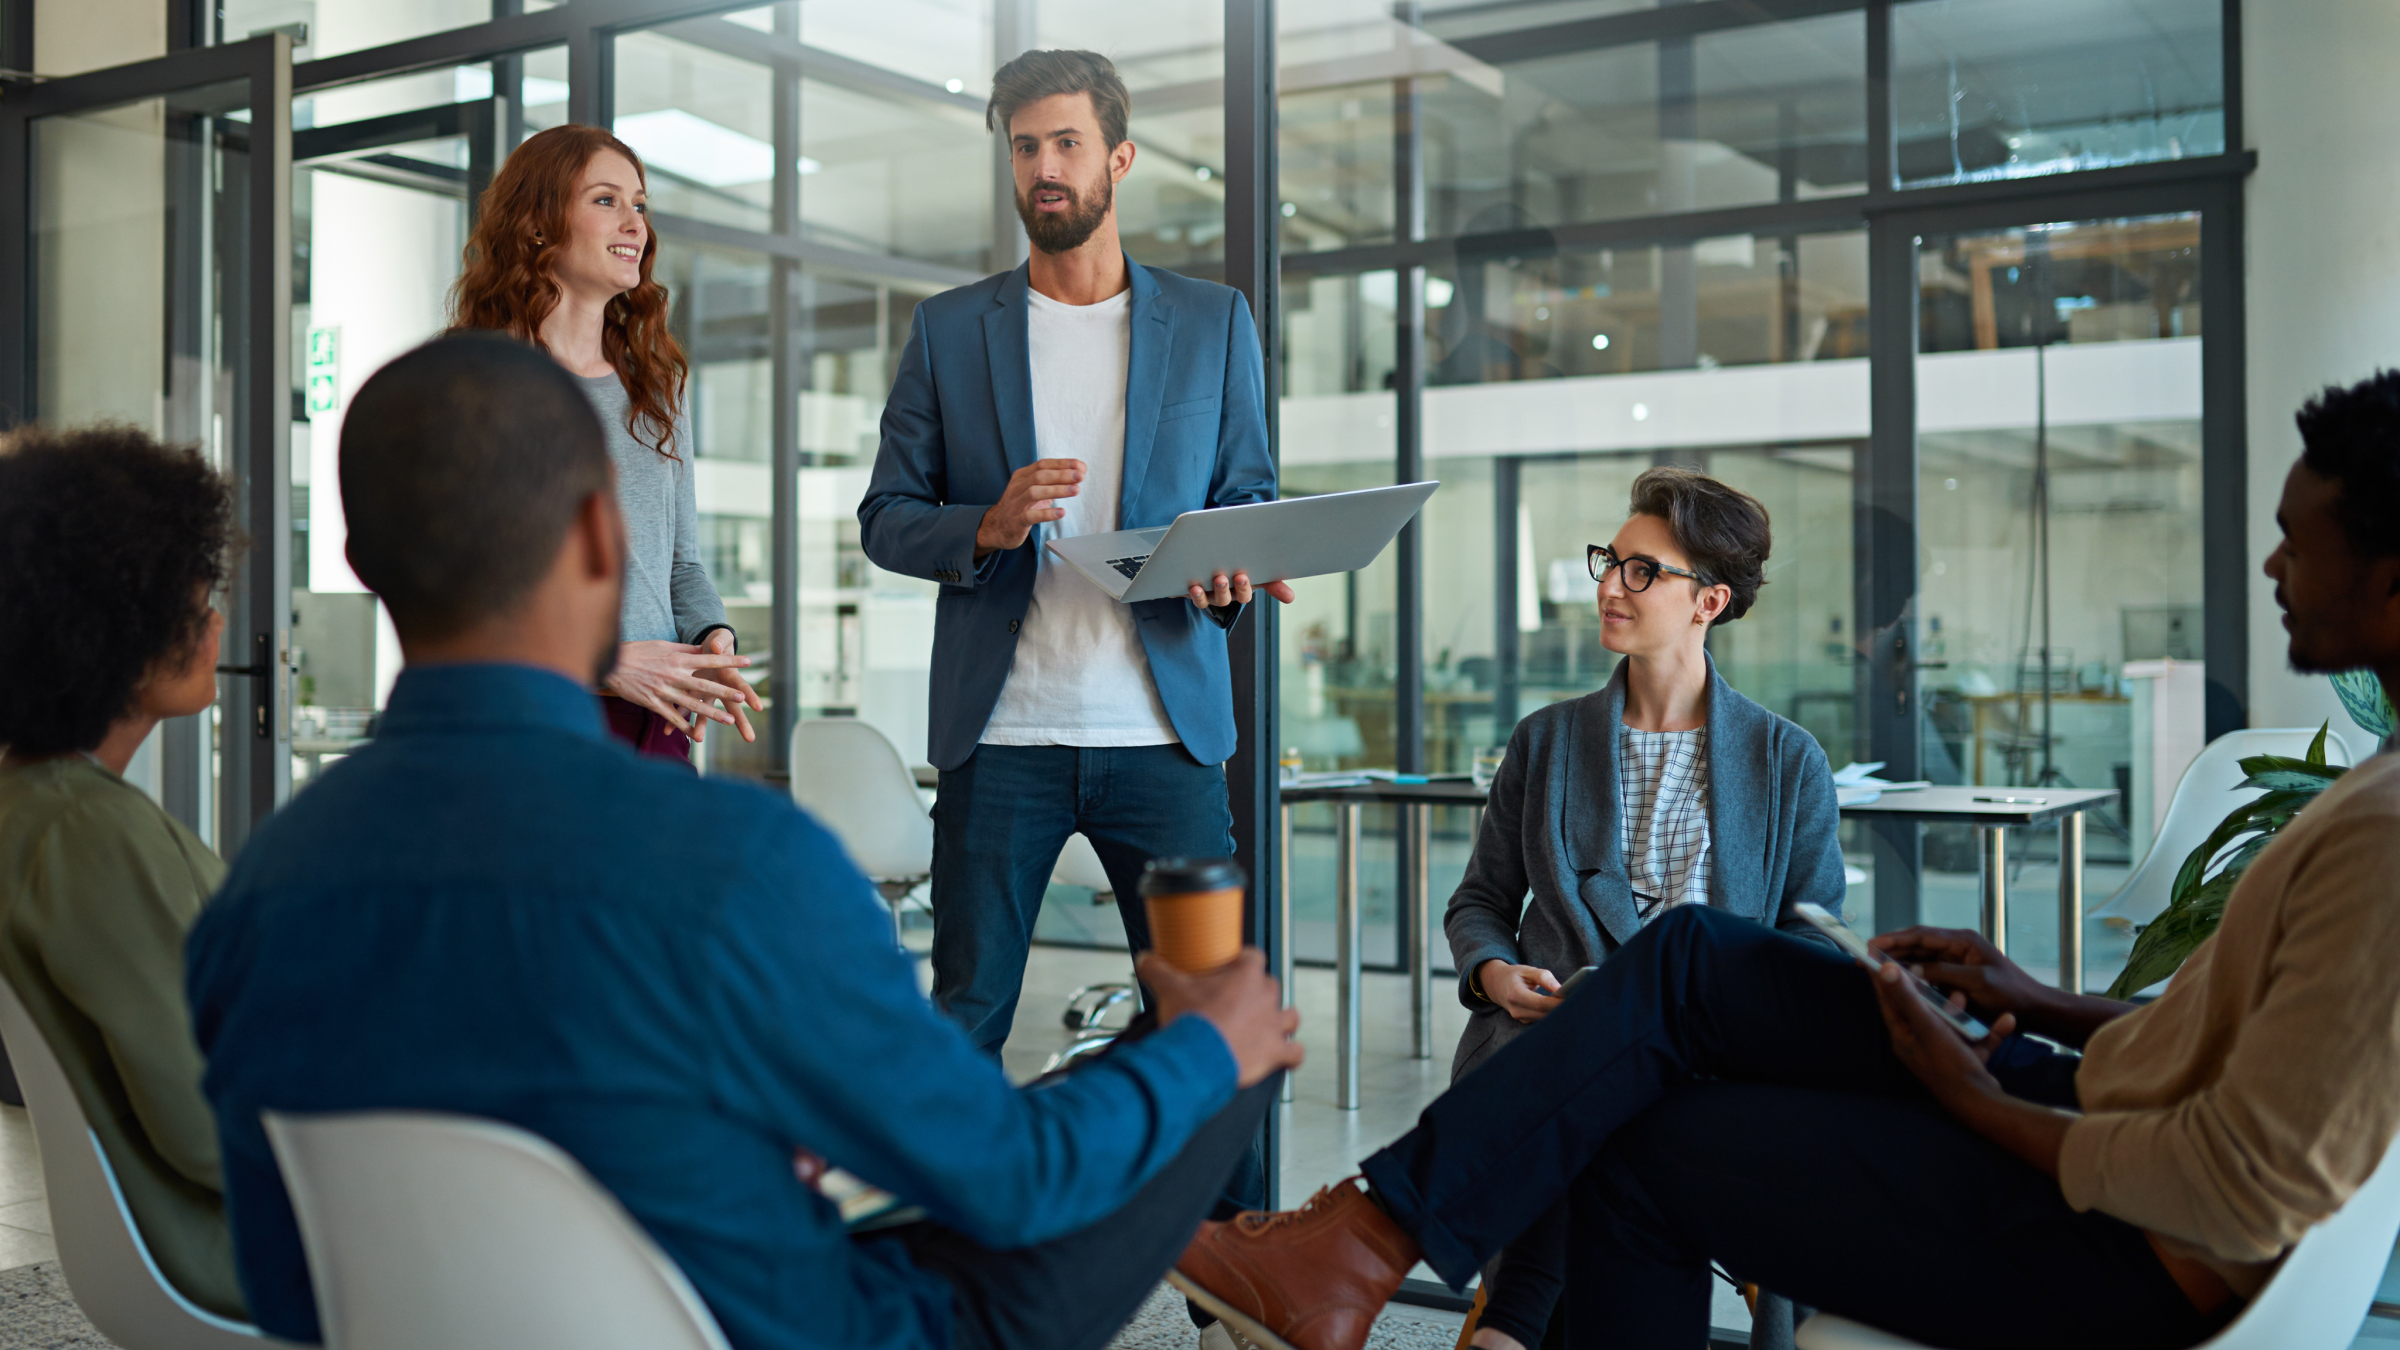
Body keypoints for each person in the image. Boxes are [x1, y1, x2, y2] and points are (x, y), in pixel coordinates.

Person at [1167, 368, 2400, 1350]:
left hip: (2123, 1234)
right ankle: (1361, 1249)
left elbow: (2240, 1186)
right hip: (2092, 1094)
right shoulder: (2381, 799)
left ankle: (1365, 1249)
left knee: (1650, 1083)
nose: (2272, 567)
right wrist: (2042, 1000)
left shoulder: (2384, 838)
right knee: (1689, 966)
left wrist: (1976, 1096)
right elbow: (2241, 1055)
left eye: (2300, 540)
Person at [187, 333, 1305, 1350]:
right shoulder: (734, 864)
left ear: (362, 561)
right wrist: (1206, 1050)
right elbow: (1014, 1182)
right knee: (1216, 1047)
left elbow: (286, 1272)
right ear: (597, 539)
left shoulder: (255, 895)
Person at [856, 49, 1294, 1059]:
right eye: (1024, 147)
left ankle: (1218, 1227)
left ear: (1120, 157)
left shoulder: (1213, 322)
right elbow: (885, 516)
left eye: (1066, 143)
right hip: (1002, 735)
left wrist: (1225, 578)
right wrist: (986, 525)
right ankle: (959, 1221)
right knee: (964, 1019)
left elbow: (1247, 494)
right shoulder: (951, 329)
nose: (1044, 167)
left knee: (1211, 1022)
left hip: (1166, 737)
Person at [1448, 466, 1844, 1350]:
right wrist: (1495, 972)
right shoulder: (1545, 741)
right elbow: (1480, 901)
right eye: (1609, 562)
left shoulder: (1786, 762)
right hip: (1543, 1036)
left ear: (1709, 601)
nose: (1608, 587)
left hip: (1714, 1059)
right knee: (1596, 1073)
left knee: (1619, 1086)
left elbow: (1814, 947)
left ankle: (1508, 1325)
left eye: (1641, 570)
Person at [0, 425, 246, 1319]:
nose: (217, 620)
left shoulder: (36, 807)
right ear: (115, 617)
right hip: (245, 1248)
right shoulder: (83, 837)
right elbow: (212, 1128)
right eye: (196, 597)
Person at [451, 123, 762, 766]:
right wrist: (607, 661)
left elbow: (682, 565)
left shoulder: (657, 388)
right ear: (537, 224)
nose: (635, 224)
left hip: (659, 719)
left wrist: (713, 637)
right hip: (537, 718)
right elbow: (462, 586)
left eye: (640, 205)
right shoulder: (476, 381)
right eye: (605, 200)